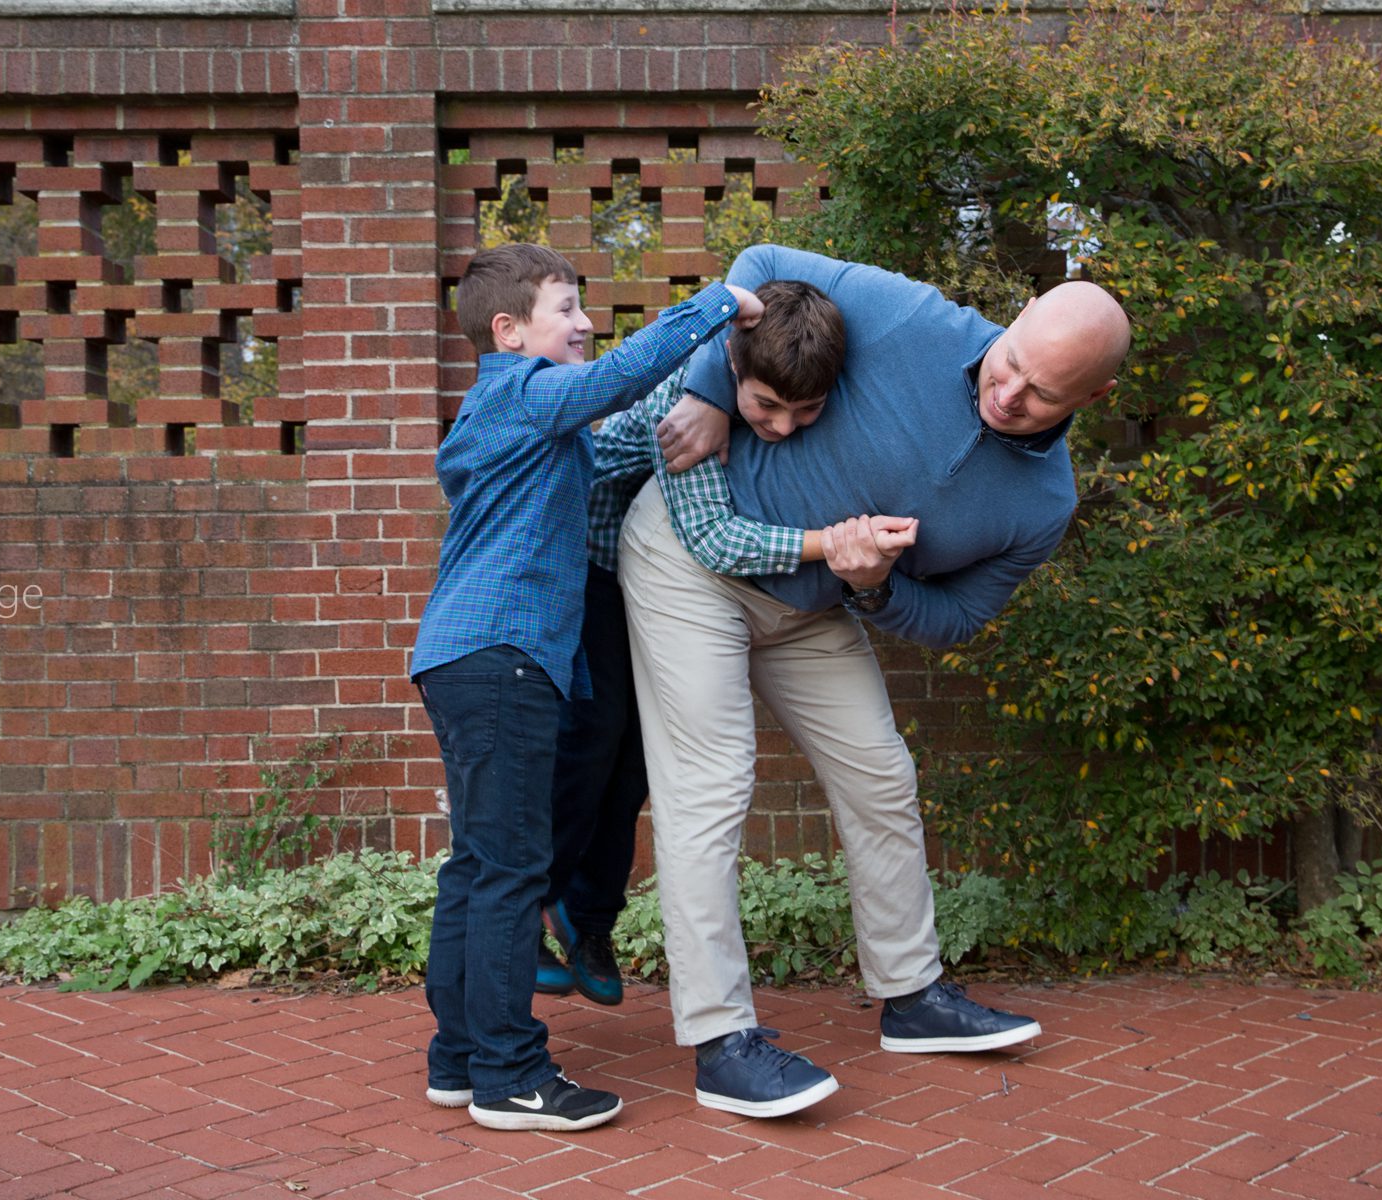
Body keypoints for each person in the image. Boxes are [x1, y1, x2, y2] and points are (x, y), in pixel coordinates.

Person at [623, 243, 1132, 1118]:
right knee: (711, 787)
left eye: (1042, 393)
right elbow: (758, 265)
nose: (1007, 393)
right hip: (688, 562)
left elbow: (958, 619)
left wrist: (877, 587)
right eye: (1010, 360)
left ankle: (913, 998)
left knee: (882, 779)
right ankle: (720, 1040)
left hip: (816, 604)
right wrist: (709, 388)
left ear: (1093, 401)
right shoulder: (915, 318)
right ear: (1007, 327)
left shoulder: (1042, 505)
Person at [408, 242, 762, 1132]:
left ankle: (457, 1059)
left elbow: (619, 440)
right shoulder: (521, 394)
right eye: (566, 309)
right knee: (512, 873)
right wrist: (718, 304)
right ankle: (509, 1076)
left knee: (480, 866)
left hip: (469, 658)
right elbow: (613, 382)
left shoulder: (515, 422)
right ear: (509, 330)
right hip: (501, 658)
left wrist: (720, 416)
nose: (583, 324)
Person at [537, 282, 913, 1006]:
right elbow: (713, 536)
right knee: (590, 733)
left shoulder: (784, 395)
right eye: (767, 407)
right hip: (582, 557)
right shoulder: (685, 403)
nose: (782, 427)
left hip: (642, 569)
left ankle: (587, 918)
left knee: (637, 758)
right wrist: (831, 545)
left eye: (805, 412)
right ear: (731, 372)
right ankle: (534, 897)